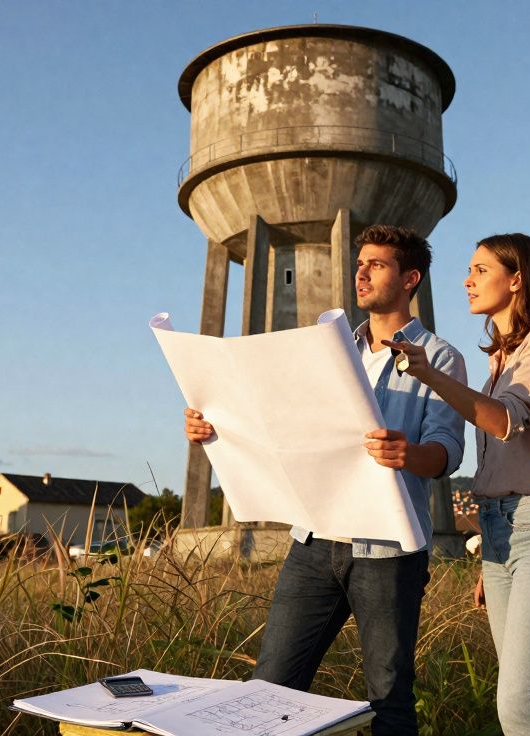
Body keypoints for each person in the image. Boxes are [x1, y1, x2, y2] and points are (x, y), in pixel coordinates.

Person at [184, 224, 467, 736]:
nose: (360, 272)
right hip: (312, 543)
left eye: (376, 264)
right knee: (269, 689)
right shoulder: (332, 350)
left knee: (389, 698)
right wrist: (213, 427)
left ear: (410, 278)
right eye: (359, 263)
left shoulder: (440, 358)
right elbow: (278, 423)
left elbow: (447, 454)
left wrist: (407, 453)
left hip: (390, 552)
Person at [383, 233, 530, 736]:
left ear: (516, 279)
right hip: (503, 536)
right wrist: (493, 553)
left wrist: (430, 375)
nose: (466, 280)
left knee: (520, 708)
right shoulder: (500, 359)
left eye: (480, 270)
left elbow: (505, 422)